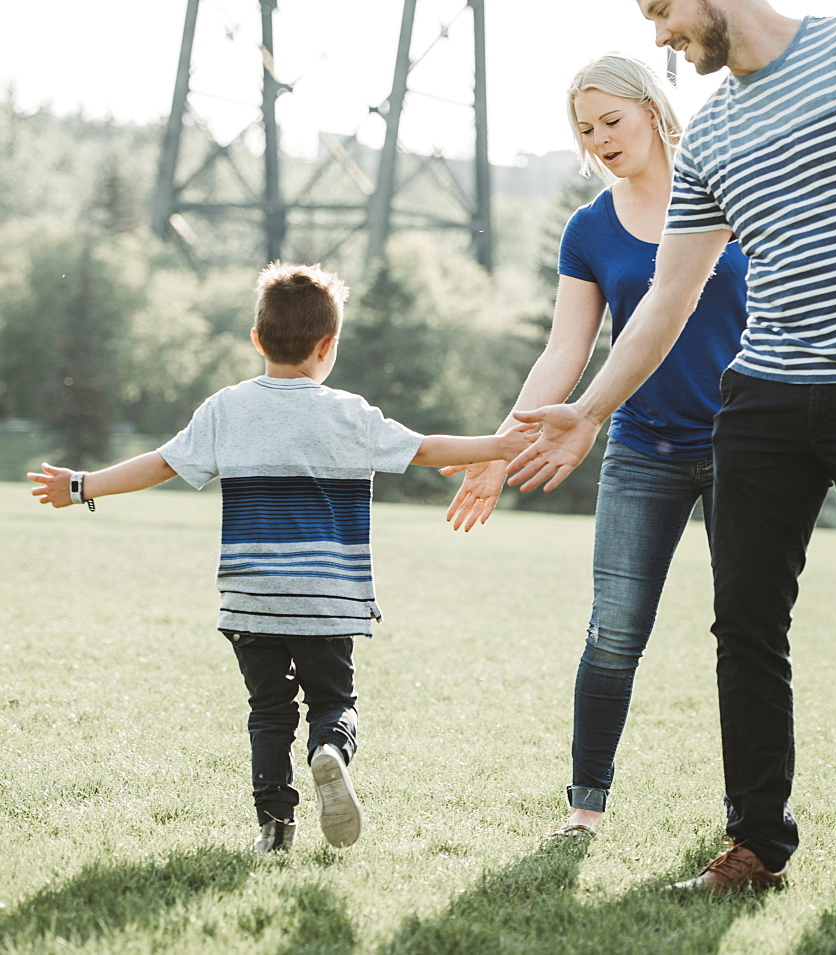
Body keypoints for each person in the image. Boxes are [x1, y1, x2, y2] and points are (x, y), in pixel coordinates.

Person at [506, 0, 836, 913]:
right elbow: (669, 297)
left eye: (663, 11)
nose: (659, 36)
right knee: (745, 627)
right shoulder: (717, 129)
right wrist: (591, 412)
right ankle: (757, 842)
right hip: (761, 397)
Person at [29, 261, 534, 855]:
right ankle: (329, 749)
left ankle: (274, 827)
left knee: (268, 711)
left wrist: (83, 484)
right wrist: (498, 445)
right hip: (328, 601)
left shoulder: (225, 410)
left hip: (251, 600)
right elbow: (426, 449)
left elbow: (160, 464)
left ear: (256, 340)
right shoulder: (349, 413)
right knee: (334, 703)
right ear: (329, 346)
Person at [443, 53, 748, 837]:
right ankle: (585, 806)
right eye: (586, 129)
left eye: (612, 119)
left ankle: (748, 819)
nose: (601, 138)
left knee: (748, 634)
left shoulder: (734, 193)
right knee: (613, 632)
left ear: (653, 108)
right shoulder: (591, 229)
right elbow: (563, 352)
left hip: (749, 448)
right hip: (643, 449)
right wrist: (497, 448)